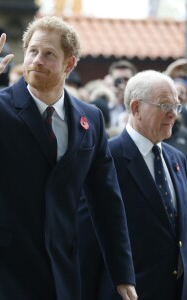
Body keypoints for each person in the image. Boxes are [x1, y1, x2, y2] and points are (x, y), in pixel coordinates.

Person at [0, 16, 137, 300]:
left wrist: (122, 273)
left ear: (70, 64)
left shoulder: (91, 118)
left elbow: (107, 201)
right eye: (32, 51)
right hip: (5, 265)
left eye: (49, 54)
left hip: (63, 263)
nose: (37, 60)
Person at [80, 70, 187, 299]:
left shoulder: (177, 159)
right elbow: (87, 243)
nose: (173, 115)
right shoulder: (105, 158)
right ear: (136, 108)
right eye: (165, 105)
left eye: (176, 106)